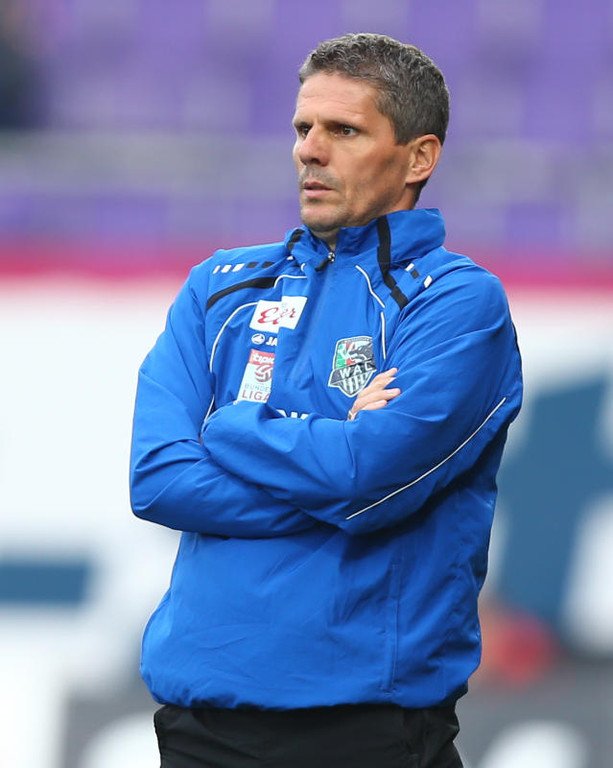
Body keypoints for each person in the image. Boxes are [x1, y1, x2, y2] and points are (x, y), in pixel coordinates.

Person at [130, 33, 523, 768]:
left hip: (367, 731)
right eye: (302, 127)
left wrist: (232, 427)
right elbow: (158, 479)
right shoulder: (218, 288)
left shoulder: (457, 303)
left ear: (418, 157)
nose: (309, 150)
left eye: (343, 130)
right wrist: (331, 458)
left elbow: (367, 479)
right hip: (198, 728)